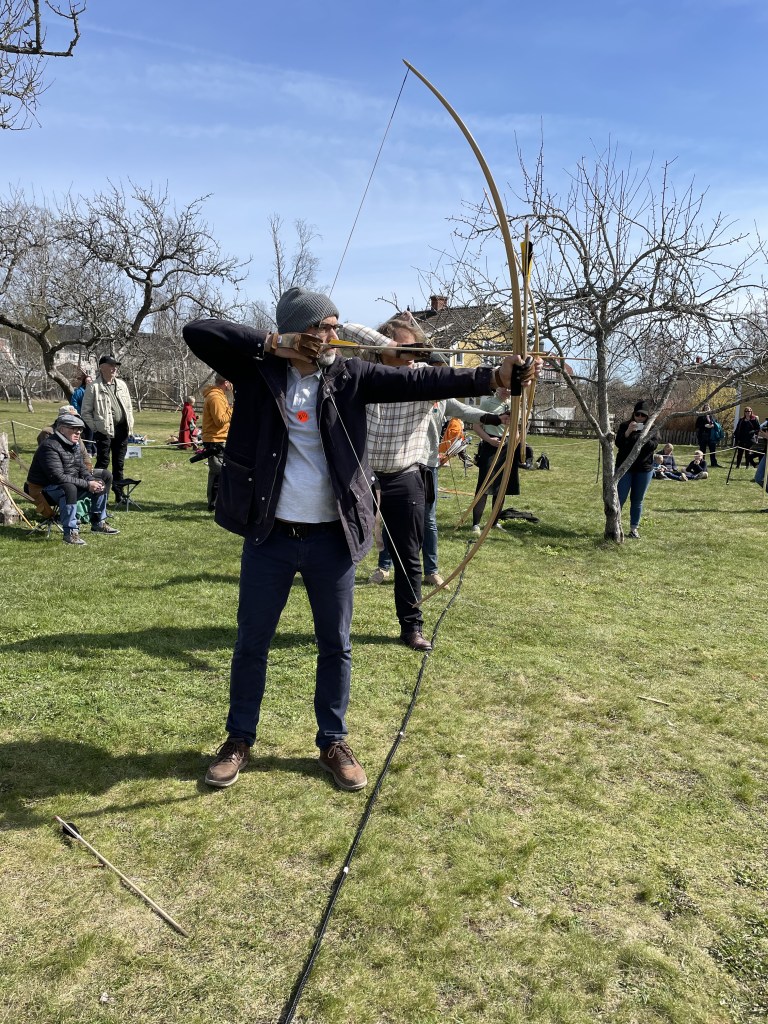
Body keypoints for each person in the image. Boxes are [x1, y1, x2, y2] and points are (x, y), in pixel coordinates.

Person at [182, 287, 539, 792]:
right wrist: (274, 343)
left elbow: (423, 379)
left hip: (333, 538)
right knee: (251, 643)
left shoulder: (350, 375)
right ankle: (238, 739)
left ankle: (333, 741)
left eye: (336, 325)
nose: (335, 335)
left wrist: (494, 378)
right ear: (299, 330)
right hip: (269, 536)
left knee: (336, 645)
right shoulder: (257, 371)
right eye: (324, 327)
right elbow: (198, 331)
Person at [25, 413, 120, 545]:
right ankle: (70, 533)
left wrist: (91, 480)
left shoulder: (73, 444)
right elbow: (58, 477)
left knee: (100, 481)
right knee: (68, 488)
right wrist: (87, 485)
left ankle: (98, 522)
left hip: (65, 484)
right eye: (74, 429)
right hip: (43, 490)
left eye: (80, 429)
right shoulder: (49, 446)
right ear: (61, 429)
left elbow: (81, 468)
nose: (78, 432)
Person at [80, 355, 135, 503]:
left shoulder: (122, 385)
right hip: (104, 431)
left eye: (115, 365)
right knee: (103, 463)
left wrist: (130, 422)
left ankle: (119, 495)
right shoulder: (94, 387)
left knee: (119, 464)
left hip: (122, 430)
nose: (114, 368)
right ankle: (97, 496)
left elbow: (129, 407)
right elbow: (85, 412)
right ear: (101, 367)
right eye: (111, 365)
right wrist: (96, 428)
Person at [615, 399, 658, 538]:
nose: (639, 417)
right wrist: (628, 432)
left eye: (643, 415)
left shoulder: (652, 428)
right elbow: (619, 443)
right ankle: (615, 526)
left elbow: (653, 446)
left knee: (637, 499)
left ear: (647, 416)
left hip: (643, 469)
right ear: (633, 414)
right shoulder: (625, 426)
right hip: (625, 467)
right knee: (620, 498)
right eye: (637, 414)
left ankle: (634, 529)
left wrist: (643, 435)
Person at [201, 375, 232, 511]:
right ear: (226, 382)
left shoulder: (220, 395)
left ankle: (218, 502)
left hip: (219, 438)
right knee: (218, 472)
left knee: (219, 472)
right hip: (215, 440)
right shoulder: (215, 397)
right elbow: (220, 421)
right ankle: (214, 504)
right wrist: (232, 409)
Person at [695, 403, 721, 468]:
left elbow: (716, 424)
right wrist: (704, 426)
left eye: (708, 408)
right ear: (703, 409)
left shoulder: (712, 416)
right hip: (703, 435)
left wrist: (712, 425)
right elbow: (697, 425)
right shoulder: (700, 417)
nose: (707, 409)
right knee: (702, 450)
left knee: (712, 450)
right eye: (705, 408)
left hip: (711, 436)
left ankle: (713, 463)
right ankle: (701, 462)